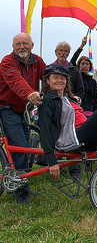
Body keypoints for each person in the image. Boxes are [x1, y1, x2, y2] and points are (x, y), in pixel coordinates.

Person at [0, 33, 46, 203]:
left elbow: (48, 77)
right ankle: (21, 193)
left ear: (32, 45)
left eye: (25, 43)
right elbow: (15, 80)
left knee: (26, 148)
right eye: (18, 44)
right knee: (20, 148)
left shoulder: (38, 62)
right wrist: (30, 93)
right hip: (8, 109)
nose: (21, 47)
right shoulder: (7, 62)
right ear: (13, 47)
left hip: (25, 110)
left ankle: (20, 184)